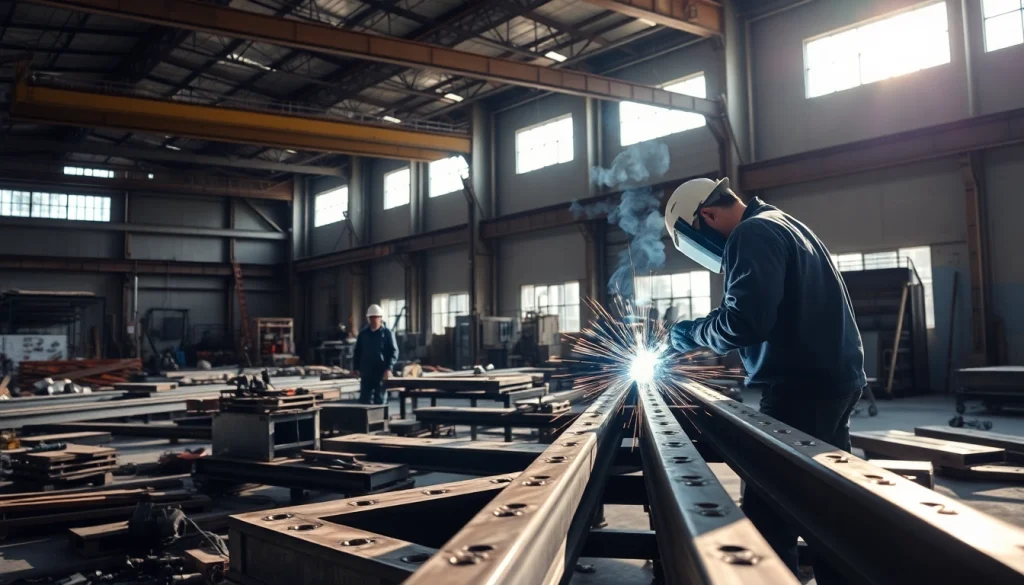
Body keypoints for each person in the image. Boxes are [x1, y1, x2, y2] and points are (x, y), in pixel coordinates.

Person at [664, 177, 866, 584]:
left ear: (706, 216)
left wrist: (685, 335)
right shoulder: (783, 223)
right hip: (832, 380)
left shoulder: (750, 233)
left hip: (800, 388)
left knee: (769, 513)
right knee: (826, 501)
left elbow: (744, 322)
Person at [352, 304, 398, 405]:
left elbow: (394, 351)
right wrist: (356, 368)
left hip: (380, 371)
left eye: (375, 317)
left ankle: (381, 420)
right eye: (371, 318)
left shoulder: (387, 333)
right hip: (366, 372)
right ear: (368, 318)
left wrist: (389, 369)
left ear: (380, 318)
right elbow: (357, 351)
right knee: (364, 400)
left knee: (379, 400)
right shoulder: (363, 334)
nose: (373, 320)